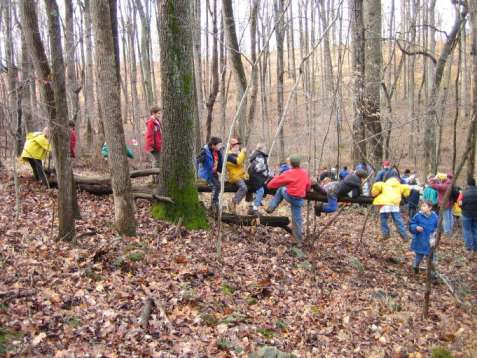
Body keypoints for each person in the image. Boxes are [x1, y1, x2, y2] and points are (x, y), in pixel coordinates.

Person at [266, 155, 311, 241]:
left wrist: (268, 186)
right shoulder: (304, 173)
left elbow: (275, 182)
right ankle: (298, 241)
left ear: (291, 164)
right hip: (299, 200)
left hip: (291, 196)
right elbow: (308, 186)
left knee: (281, 189)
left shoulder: (289, 173)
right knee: (297, 219)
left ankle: (271, 207)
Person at [371, 172, 411, 240]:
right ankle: (404, 236)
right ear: (398, 180)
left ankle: (386, 234)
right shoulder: (400, 186)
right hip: (394, 204)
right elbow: (407, 188)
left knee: (383, 220)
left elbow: (376, 185)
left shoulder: (384, 184)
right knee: (398, 220)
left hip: (384, 204)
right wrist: (405, 195)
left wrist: (374, 194)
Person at [409, 200, 438, 274]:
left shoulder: (435, 217)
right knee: (418, 258)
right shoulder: (418, 216)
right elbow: (411, 224)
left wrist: (435, 234)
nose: (422, 207)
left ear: (430, 207)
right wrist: (416, 227)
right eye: (421, 206)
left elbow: (438, 228)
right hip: (420, 241)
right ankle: (416, 267)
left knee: (431, 260)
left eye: (424, 206)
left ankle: (432, 275)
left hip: (430, 242)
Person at [197, 137, 223, 211]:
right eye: (219, 145)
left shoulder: (218, 152)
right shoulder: (205, 151)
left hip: (213, 174)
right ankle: (214, 203)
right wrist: (195, 175)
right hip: (206, 175)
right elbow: (197, 161)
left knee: (218, 185)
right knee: (217, 186)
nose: (220, 146)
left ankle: (214, 204)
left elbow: (220, 163)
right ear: (213, 145)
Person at [247, 143, 271, 215]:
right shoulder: (260, 156)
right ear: (261, 149)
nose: (266, 150)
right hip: (256, 177)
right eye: (265, 149)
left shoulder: (256, 155)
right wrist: (268, 174)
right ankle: (255, 209)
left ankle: (252, 205)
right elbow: (258, 168)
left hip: (254, 177)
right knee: (261, 191)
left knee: (264, 190)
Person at [226, 138, 248, 213]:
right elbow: (238, 162)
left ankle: (252, 206)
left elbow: (241, 167)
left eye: (238, 145)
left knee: (253, 183)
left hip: (240, 176)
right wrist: (242, 152)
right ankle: (233, 202)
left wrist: (245, 174)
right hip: (234, 177)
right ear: (232, 146)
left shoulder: (237, 154)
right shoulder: (229, 155)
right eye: (236, 145)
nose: (238, 146)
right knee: (244, 187)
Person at [458, 178, 477, 257]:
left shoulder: (463, 193)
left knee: (467, 230)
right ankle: (475, 247)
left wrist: (463, 208)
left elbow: (459, 203)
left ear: (468, 184)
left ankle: (469, 247)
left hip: (466, 214)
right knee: (475, 230)